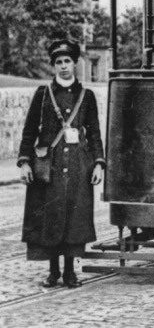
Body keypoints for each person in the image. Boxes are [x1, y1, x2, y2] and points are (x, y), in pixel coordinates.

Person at [17, 39, 105, 289]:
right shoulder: (43, 93)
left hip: (77, 164)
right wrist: (24, 163)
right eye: (58, 62)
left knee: (73, 219)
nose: (63, 67)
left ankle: (70, 272)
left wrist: (99, 163)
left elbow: (95, 132)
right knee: (50, 217)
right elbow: (29, 130)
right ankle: (53, 271)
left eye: (67, 61)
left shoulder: (86, 96)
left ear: (75, 63)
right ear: (53, 65)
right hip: (49, 166)